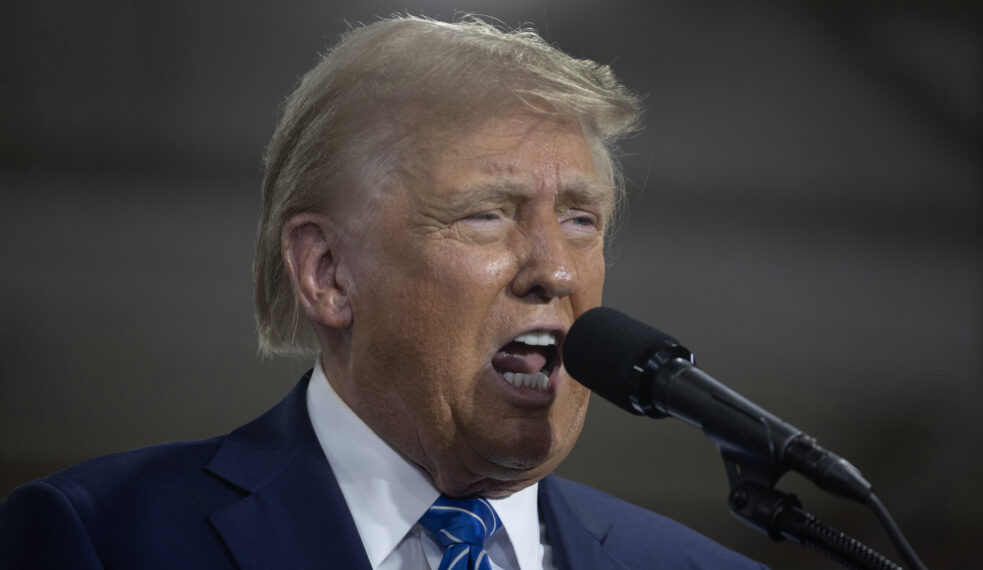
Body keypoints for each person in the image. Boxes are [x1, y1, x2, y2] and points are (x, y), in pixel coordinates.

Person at [0, 15, 767, 569]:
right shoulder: (105, 539)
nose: (556, 271)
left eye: (579, 219)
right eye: (489, 214)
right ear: (329, 273)